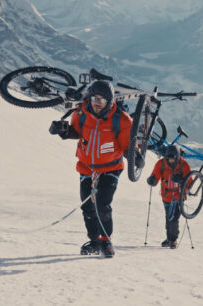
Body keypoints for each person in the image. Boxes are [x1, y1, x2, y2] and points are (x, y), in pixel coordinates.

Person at [49, 80, 143, 258]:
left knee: (102, 204)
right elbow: (77, 131)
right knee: (87, 207)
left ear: (110, 101)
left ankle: (106, 241)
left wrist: (135, 157)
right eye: (94, 98)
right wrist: (62, 131)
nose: (97, 103)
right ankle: (94, 241)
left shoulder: (122, 120)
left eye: (102, 100)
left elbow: (127, 147)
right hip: (86, 167)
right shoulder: (81, 114)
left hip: (111, 168)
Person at [146, 145, 191, 249]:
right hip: (166, 197)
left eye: (173, 158)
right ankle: (169, 238)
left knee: (174, 218)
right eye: (169, 158)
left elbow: (189, 182)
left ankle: (173, 240)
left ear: (178, 157)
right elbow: (155, 176)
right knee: (168, 218)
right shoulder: (160, 164)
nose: (171, 160)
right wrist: (151, 180)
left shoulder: (184, 165)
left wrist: (181, 180)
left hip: (179, 196)